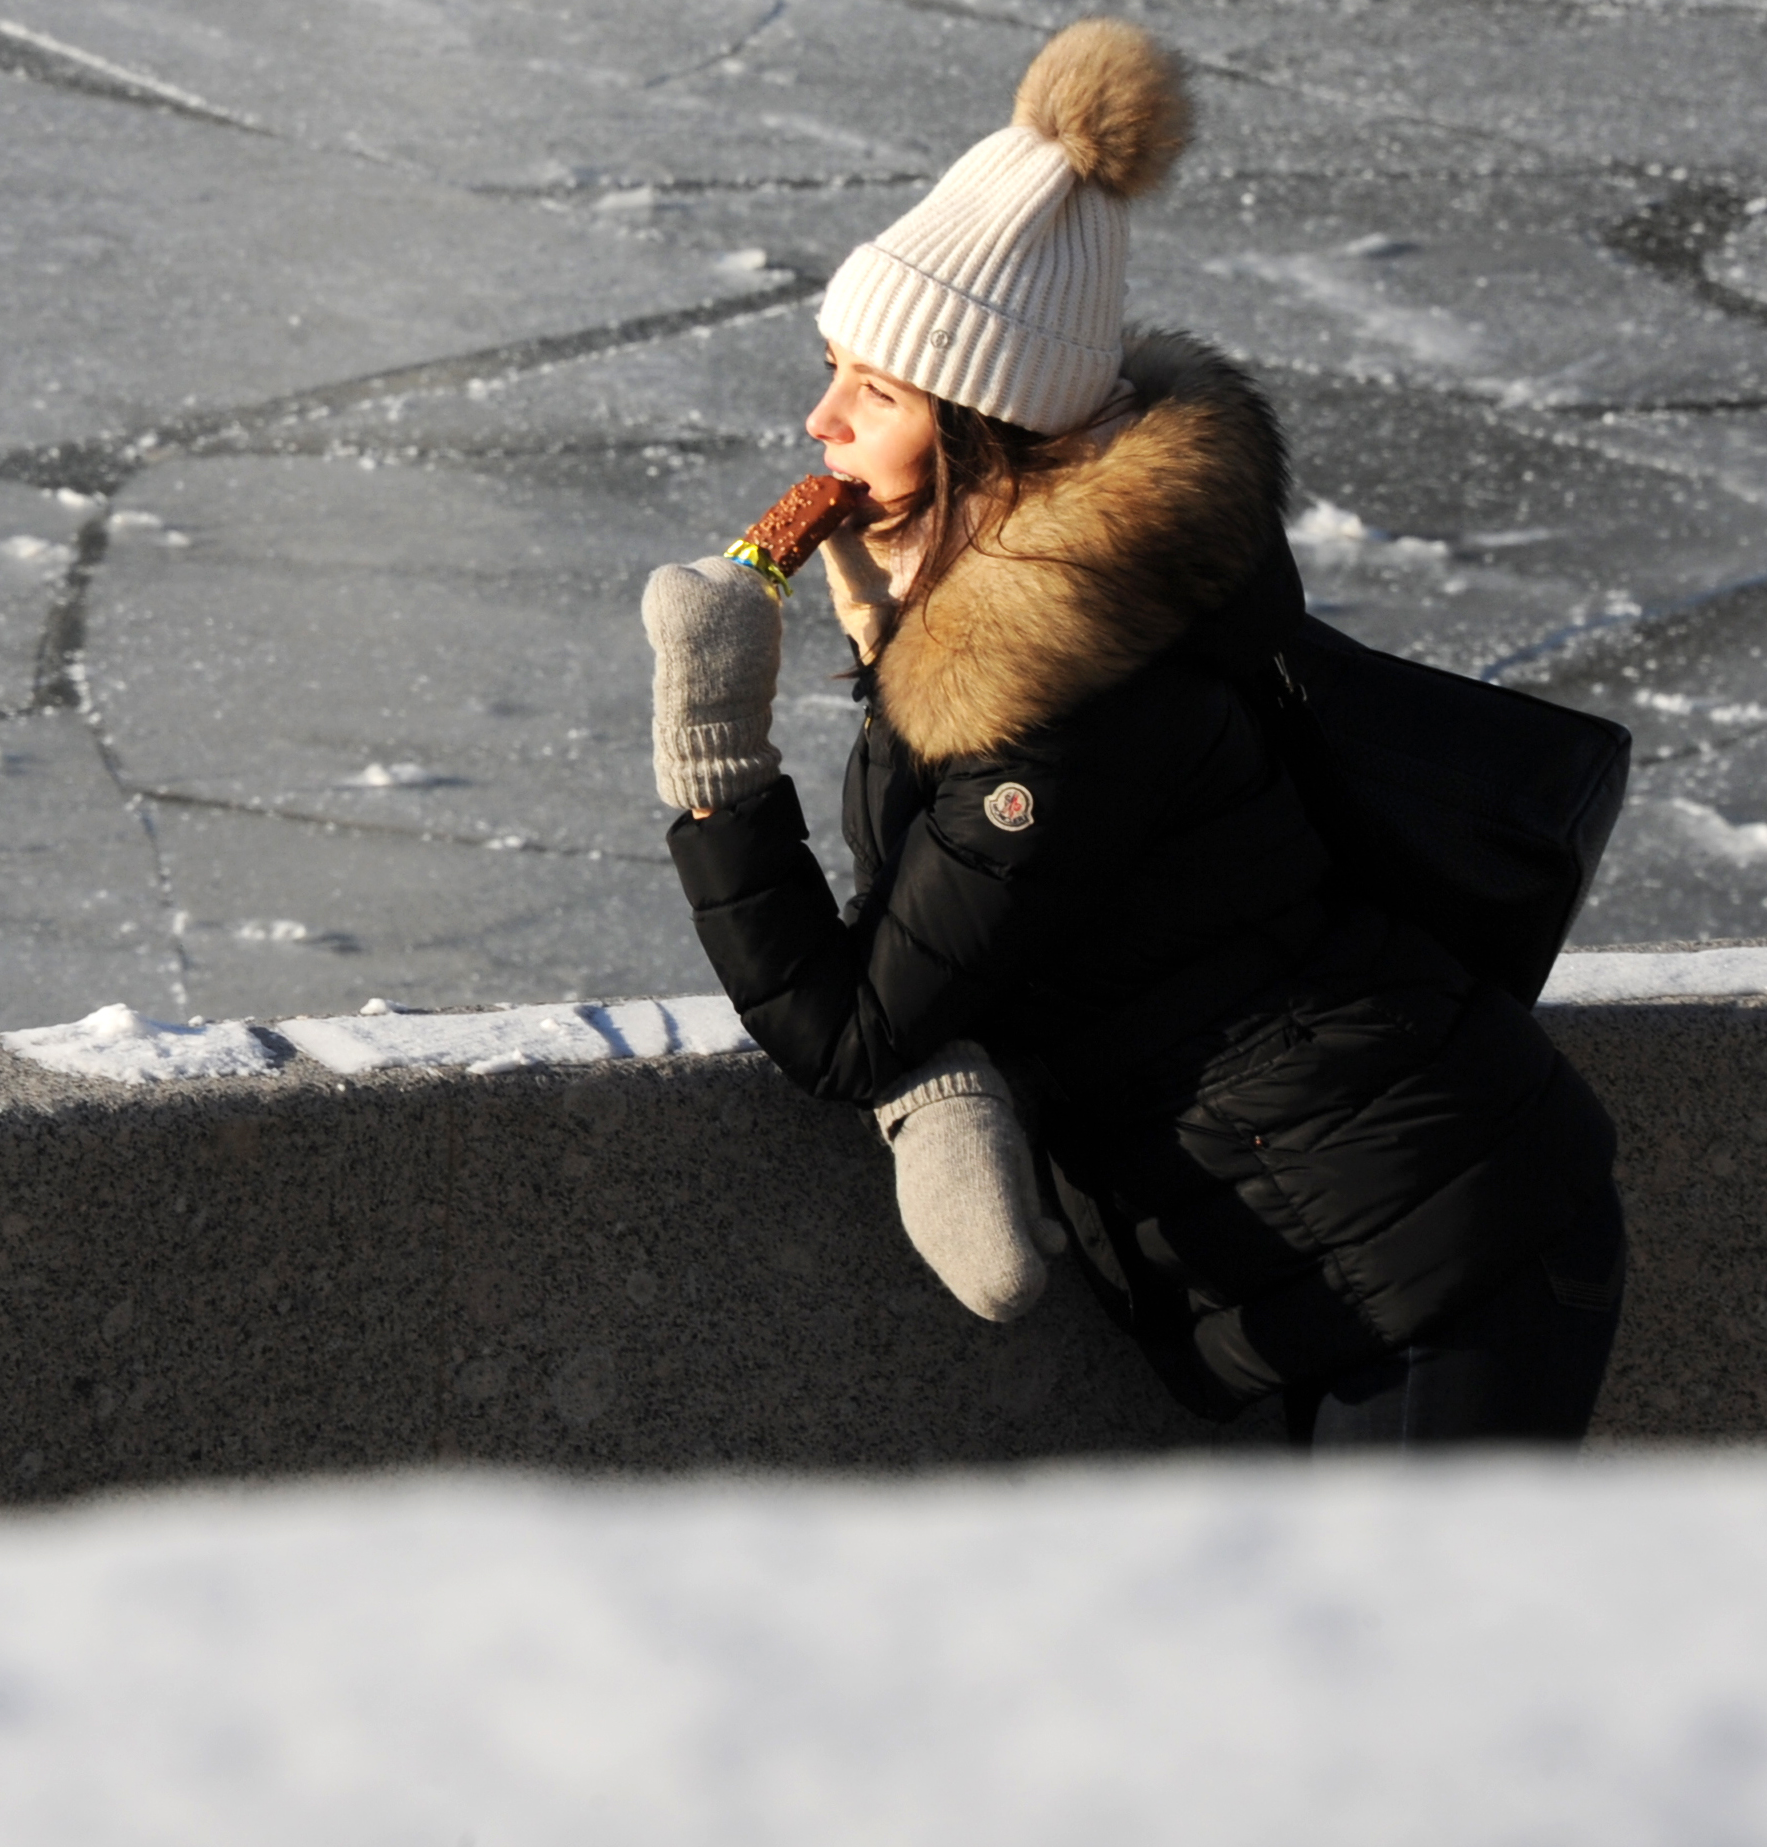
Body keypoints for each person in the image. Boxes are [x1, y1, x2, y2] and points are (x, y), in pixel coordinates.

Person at [639, 18, 1627, 1447]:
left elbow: (852, 1024)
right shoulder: (1056, 618)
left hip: (1435, 1253)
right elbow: (951, 924)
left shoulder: (1070, 707)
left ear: (990, 431)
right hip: (1350, 1242)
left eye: (879, 391)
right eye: (832, 368)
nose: (822, 420)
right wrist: (892, 657)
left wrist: (715, 754)